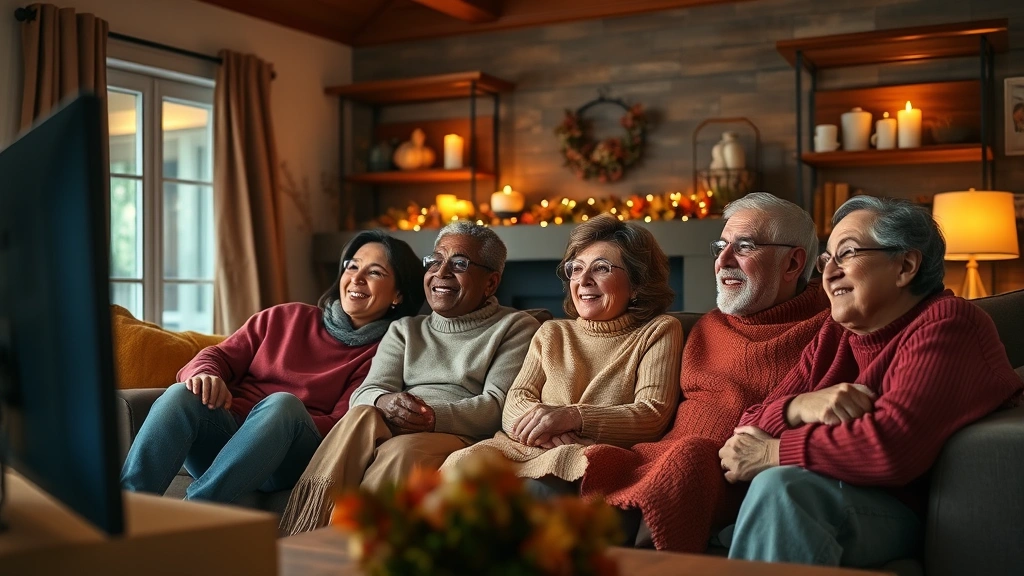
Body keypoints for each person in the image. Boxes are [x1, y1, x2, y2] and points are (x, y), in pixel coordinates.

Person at [720, 196, 1023, 568]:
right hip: (835, 492)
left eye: (846, 254)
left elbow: (890, 446)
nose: (828, 274)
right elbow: (747, 426)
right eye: (826, 259)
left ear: (905, 266)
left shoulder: (950, 323)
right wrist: (800, 406)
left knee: (782, 487)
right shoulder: (835, 334)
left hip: (909, 513)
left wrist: (772, 453)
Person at [580, 192, 831, 552]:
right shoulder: (708, 327)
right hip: (664, 458)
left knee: (690, 457)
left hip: (735, 474)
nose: (723, 261)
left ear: (792, 264)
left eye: (743, 247)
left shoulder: (829, 330)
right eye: (721, 246)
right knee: (595, 461)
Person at [121, 230, 425, 503]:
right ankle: (123, 512)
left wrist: (270, 420)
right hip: (227, 440)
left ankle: (196, 511)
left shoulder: (386, 352)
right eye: (352, 266)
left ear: (398, 294)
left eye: (375, 272)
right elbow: (218, 356)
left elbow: (344, 424)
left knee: (283, 405)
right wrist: (205, 375)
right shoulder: (284, 317)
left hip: (290, 458)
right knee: (180, 394)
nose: (357, 278)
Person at [280, 221, 541, 535]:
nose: (441, 272)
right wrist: (386, 401)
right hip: (396, 421)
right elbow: (365, 393)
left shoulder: (516, 327)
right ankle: (304, 526)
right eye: (435, 261)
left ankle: (352, 544)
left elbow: (497, 405)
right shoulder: (405, 329)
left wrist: (432, 418)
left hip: (457, 432)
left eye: (459, 264)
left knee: (400, 451)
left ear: (490, 283)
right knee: (362, 414)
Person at [442, 214, 682, 498]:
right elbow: (515, 402)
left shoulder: (659, 330)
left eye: (601, 268)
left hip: (588, 456)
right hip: (522, 446)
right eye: (576, 269)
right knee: (452, 476)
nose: (584, 280)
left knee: (530, 493)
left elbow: (651, 414)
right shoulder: (552, 332)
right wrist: (551, 429)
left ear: (637, 283)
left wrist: (573, 417)